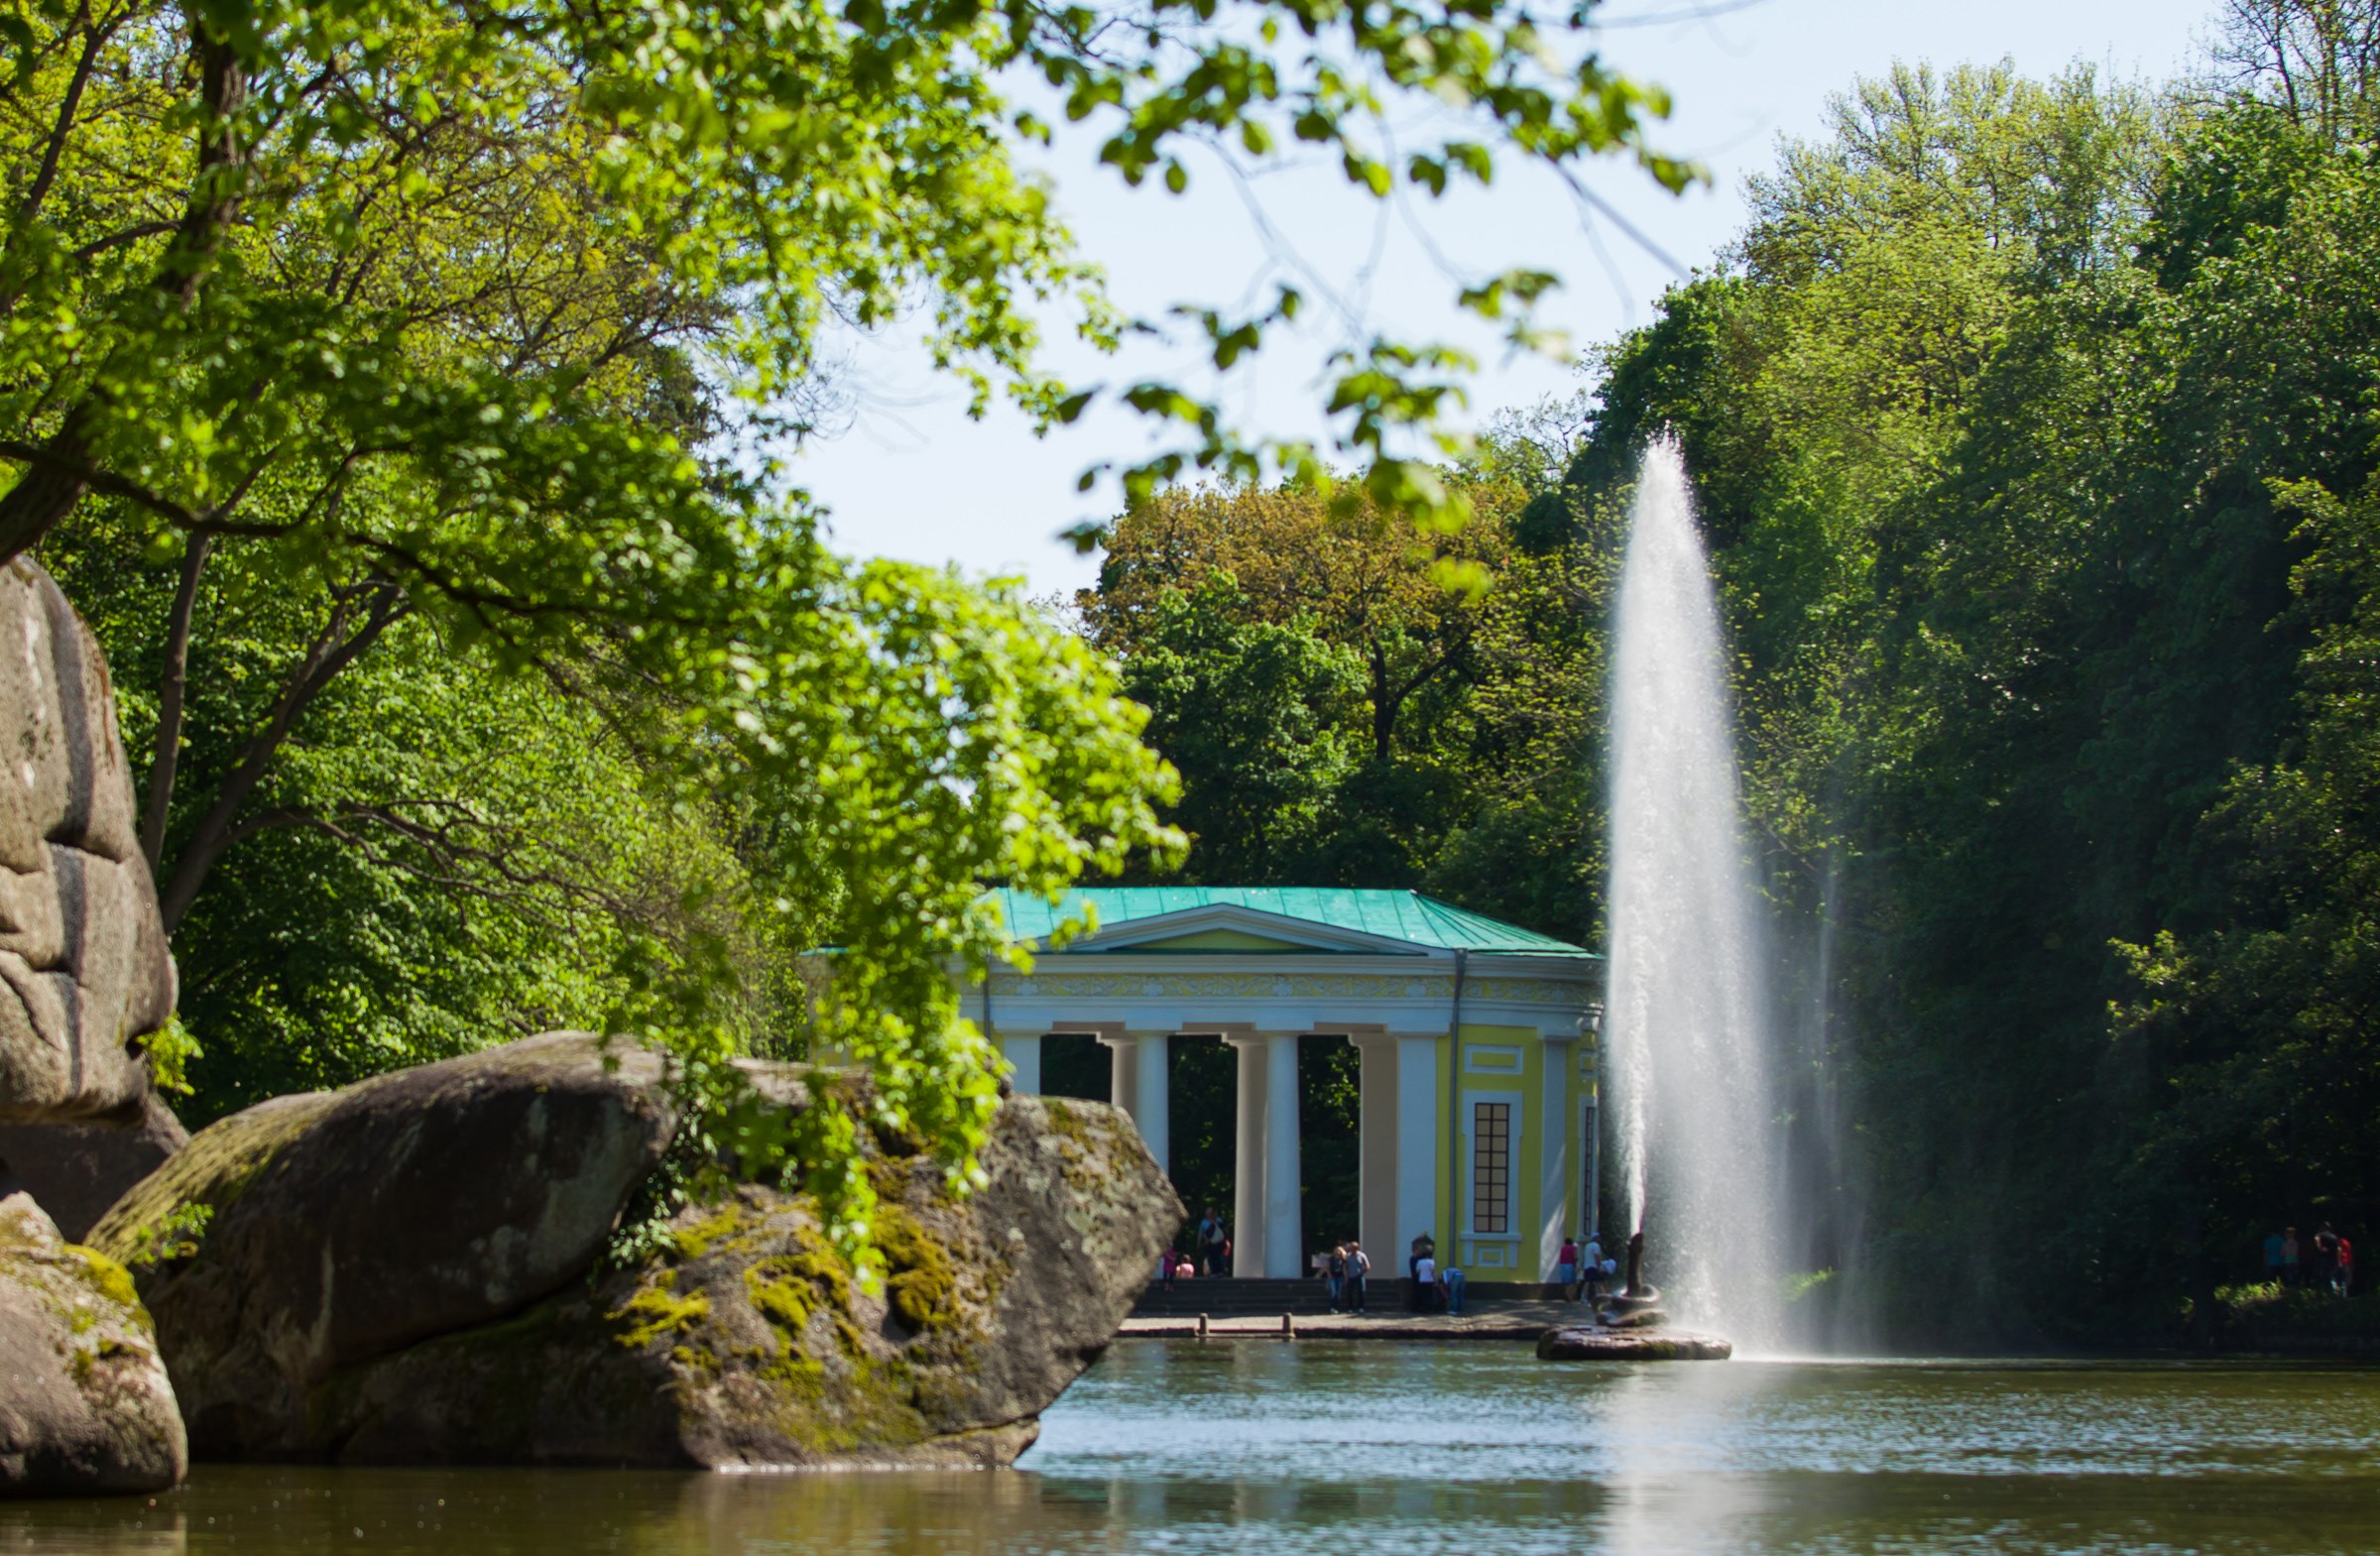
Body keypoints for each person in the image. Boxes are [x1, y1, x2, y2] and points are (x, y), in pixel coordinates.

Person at [1198, 1208, 1227, 1277]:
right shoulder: (1204, 1222)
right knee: (1211, 1257)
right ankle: (1214, 1271)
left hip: (1218, 1243)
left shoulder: (1218, 1221)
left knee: (1218, 1257)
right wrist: (1199, 1242)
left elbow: (1220, 1231)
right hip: (1211, 1244)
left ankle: (1220, 1271)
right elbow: (1201, 1233)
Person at [2314, 1224, 2340, 1291]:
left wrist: (2319, 1247)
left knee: (2323, 1275)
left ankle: (2323, 1292)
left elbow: (2316, 1239)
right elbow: (2339, 1249)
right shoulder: (2334, 1237)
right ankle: (2335, 1291)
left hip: (2323, 1258)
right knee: (2332, 1276)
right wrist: (2339, 1260)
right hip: (2333, 1259)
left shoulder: (2320, 1235)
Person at [1347, 1241, 1370, 1312]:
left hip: (1359, 1276)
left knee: (1361, 1292)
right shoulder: (1348, 1256)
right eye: (1351, 1248)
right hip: (1350, 1276)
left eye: (1354, 1248)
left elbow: (1367, 1266)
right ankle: (1350, 1307)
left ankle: (1361, 1307)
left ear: (1357, 1248)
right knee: (1350, 1292)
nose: (1352, 1249)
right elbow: (1345, 1266)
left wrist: (1362, 1272)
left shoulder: (1362, 1255)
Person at [1414, 1248, 1439, 1313]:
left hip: (1422, 1280)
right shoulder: (1431, 1262)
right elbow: (1432, 1271)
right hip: (1429, 1280)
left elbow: (1417, 1271)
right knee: (1429, 1295)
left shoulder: (1419, 1262)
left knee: (1423, 1295)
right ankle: (1430, 1309)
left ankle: (1423, 1308)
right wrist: (1434, 1279)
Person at [1325, 1244, 1348, 1312]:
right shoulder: (1331, 1258)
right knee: (1334, 1292)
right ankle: (1332, 1307)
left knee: (1338, 1293)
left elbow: (1344, 1269)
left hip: (1340, 1277)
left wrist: (1346, 1278)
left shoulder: (1343, 1260)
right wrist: (1329, 1274)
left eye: (1339, 1251)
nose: (1338, 1252)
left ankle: (1336, 1307)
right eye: (1337, 1251)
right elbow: (1327, 1267)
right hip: (1333, 1277)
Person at [1557, 1235, 1580, 1299]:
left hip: (1562, 1265)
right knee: (1573, 1282)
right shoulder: (1573, 1248)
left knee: (1566, 1281)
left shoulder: (1563, 1248)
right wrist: (1577, 1259)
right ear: (1571, 1242)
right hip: (1570, 1265)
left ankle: (1568, 1295)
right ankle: (1569, 1294)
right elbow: (1575, 1257)